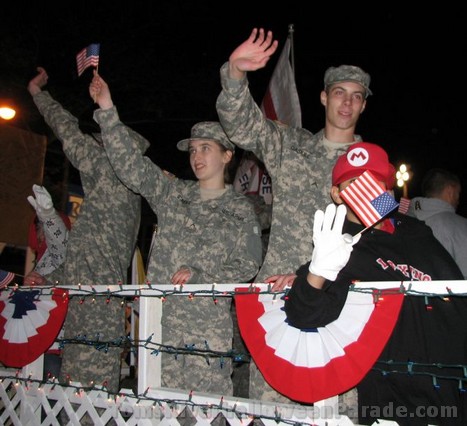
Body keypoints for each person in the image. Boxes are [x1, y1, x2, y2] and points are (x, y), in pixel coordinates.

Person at [216, 27, 372, 401]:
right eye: (339, 93)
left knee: (333, 412)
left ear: (364, 105)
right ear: (323, 97)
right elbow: (241, 125)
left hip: (340, 309)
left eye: (356, 96)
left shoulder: (373, 169)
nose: (347, 103)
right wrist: (235, 73)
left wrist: (308, 275)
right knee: (272, 407)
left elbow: (374, 243)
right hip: (278, 301)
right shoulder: (291, 145)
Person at [89, 71, 262, 396]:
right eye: (193, 150)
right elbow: (132, 166)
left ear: (227, 155)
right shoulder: (173, 193)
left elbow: (247, 265)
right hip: (159, 323)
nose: (196, 156)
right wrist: (107, 109)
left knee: (204, 412)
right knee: (157, 409)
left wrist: (203, 276)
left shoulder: (240, 209)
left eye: (206, 148)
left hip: (205, 329)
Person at [284, 142, 467, 425]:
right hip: (395, 402)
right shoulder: (341, 246)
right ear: (337, 194)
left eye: (376, 182)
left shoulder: (416, 231)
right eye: (355, 182)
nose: (368, 191)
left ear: (388, 190)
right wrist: (317, 272)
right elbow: (303, 314)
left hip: (453, 386)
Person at [26, 67, 150, 396]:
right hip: (79, 302)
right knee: (73, 397)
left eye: (102, 143)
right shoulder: (99, 190)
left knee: (92, 401)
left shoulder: (119, 179)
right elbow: (81, 260)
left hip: (98, 308)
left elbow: (67, 130)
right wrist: (50, 279)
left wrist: (39, 95)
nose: (93, 148)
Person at [407, 168, 467, 278]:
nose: (458, 200)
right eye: (458, 193)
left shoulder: (404, 223)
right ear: (450, 191)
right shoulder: (461, 227)